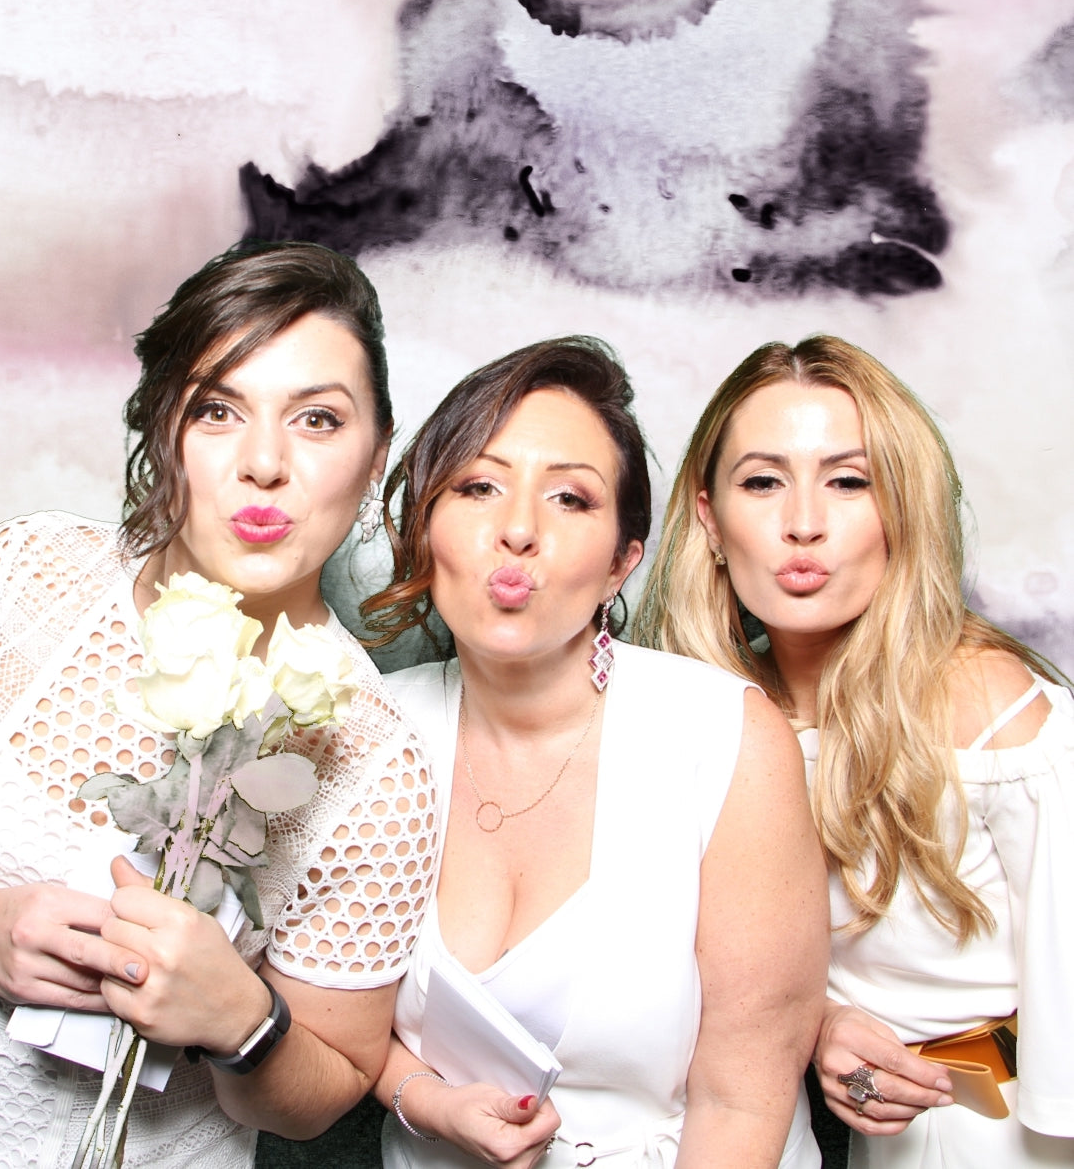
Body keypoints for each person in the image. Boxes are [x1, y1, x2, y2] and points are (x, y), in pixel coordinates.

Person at [0, 240, 438, 1167]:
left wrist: (244, 1022)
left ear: (375, 450)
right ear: (162, 427)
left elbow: (331, 1084)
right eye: (219, 409)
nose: (264, 464)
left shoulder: (375, 764)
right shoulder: (19, 575)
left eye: (317, 419)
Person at [361, 337, 828, 1168]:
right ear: (425, 525)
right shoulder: (370, 731)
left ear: (622, 562)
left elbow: (746, 1095)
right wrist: (425, 1101)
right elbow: (333, 1021)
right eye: (478, 487)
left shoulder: (723, 736)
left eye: (570, 499)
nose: (518, 531)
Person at [634, 334, 1074, 1168]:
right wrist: (826, 1025)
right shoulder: (697, 720)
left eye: (848, 481)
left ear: (901, 511)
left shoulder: (987, 706)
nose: (804, 524)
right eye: (763, 482)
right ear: (708, 518)